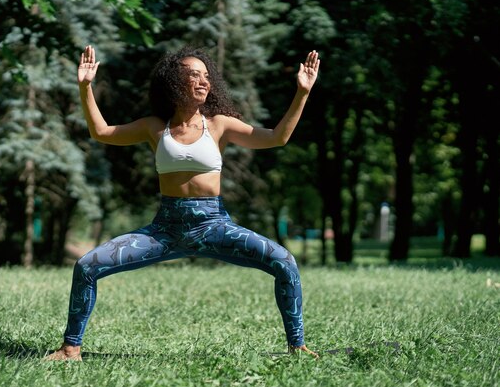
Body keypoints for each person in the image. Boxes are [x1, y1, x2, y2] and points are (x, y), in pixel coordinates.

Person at [45, 44, 321, 360]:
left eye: (206, 76)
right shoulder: (154, 127)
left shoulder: (219, 125)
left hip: (214, 226)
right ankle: (70, 348)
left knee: (284, 262)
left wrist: (302, 93)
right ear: (175, 82)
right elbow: (102, 132)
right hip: (164, 231)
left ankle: (296, 347)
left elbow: (276, 138)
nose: (204, 81)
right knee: (86, 265)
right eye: (194, 75)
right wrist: (85, 88)